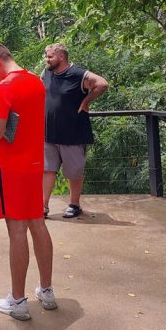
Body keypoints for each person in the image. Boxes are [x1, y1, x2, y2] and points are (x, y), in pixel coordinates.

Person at [0, 43, 56, 321]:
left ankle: (18, 300)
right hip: (35, 164)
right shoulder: (36, 82)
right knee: (38, 223)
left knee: (17, 230)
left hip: (11, 167)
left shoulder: (3, 87)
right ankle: (46, 290)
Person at [41, 43, 109, 218]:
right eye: (46, 56)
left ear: (61, 57)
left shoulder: (77, 74)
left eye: (50, 56)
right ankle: (43, 206)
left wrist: (86, 102)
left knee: (74, 172)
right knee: (47, 169)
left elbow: (102, 84)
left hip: (73, 133)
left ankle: (74, 204)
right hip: (49, 132)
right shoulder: (46, 73)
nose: (47, 59)